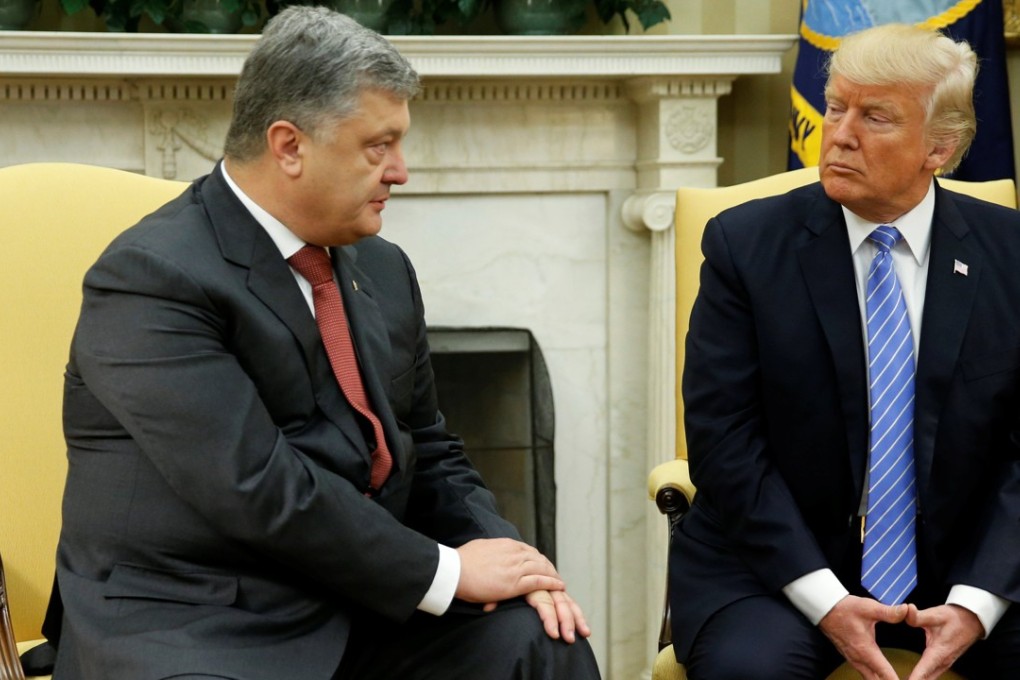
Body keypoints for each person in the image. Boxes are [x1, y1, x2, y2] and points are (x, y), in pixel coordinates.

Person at [48, 6, 600, 679]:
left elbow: (429, 450)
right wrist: (448, 569)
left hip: (354, 603)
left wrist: (512, 562)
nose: (400, 170)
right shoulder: (151, 278)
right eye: (378, 145)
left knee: (538, 639)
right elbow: (255, 485)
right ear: (289, 146)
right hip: (198, 622)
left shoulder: (384, 270)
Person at [670, 23, 1020, 680]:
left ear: (939, 148)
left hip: (973, 564)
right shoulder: (745, 247)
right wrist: (826, 600)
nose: (841, 133)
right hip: (773, 569)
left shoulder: (1010, 255)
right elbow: (725, 444)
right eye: (836, 108)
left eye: (875, 116)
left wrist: (976, 604)